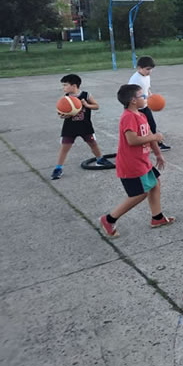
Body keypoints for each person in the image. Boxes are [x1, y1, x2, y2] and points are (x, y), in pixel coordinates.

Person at [98, 84, 173, 238]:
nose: (145, 98)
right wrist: (156, 137)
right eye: (142, 96)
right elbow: (132, 140)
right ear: (133, 100)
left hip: (142, 161)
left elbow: (150, 134)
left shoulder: (141, 115)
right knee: (139, 194)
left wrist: (158, 154)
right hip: (131, 163)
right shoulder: (128, 117)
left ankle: (157, 218)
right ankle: (109, 219)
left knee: (155, 183)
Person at [51, 74, 114, 180]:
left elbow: (96, 106)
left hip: (85, 126)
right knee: (64, 148)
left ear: (74, 85)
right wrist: (63, 115)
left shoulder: (86, 95)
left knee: (93, 144)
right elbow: (60, 113)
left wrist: (87, 105)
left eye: (65, 85)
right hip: (69, 128)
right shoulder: (65, 99)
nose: (63, 88)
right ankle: (58, 168)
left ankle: (99, 160)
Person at [129, 56, 171, 150]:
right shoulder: (135, 80)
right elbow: (132, 98)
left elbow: (147, 89)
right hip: (137, 108)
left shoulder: (146, 76)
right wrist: (144, 101)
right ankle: (152, 144)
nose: (149, 71)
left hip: (144, 105)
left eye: (151, 69)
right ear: (139, 68)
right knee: (142, 128)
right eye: (147, 69)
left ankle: (155, 144)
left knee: (151, 125)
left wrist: (151, 96)